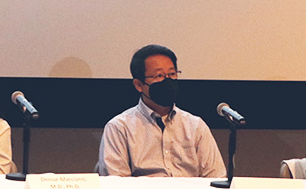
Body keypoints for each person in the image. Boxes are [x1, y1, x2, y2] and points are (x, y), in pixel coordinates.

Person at [95, 44, 225, 177]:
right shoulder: (119, 127)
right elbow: (116, 183)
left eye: (172, 74)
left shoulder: (195, 125)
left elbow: (216, 176)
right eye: (159, 76)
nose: (167, 81)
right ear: (139, 85)